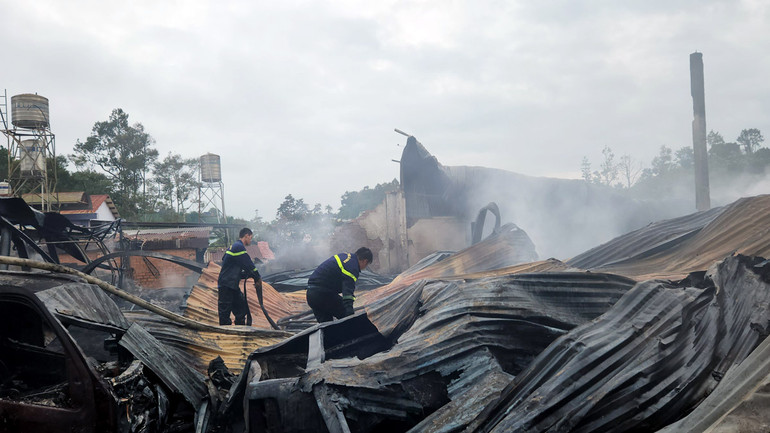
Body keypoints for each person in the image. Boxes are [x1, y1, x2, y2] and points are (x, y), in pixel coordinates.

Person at [306, 247, 373, 323]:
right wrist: (349, 313)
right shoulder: (352, 266)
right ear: (365, 261)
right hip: (322, 294)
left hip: (311, 295)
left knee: (326, 326)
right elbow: (347, 292)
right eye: (366, 265)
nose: (364, 268)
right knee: (347, 317)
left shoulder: (345, 256)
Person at [217, 228, 263, 325]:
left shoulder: (233, 246)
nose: (250, 240)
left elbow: (230, 263)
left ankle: (240, 330)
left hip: (232, 285)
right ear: (246, 236)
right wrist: (257, 277)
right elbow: (248, 264)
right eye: (250, 238)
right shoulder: (238, 247)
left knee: (241, 308)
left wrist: (243, 274)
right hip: (226, 285)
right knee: (224, 313)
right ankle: (225, 334)